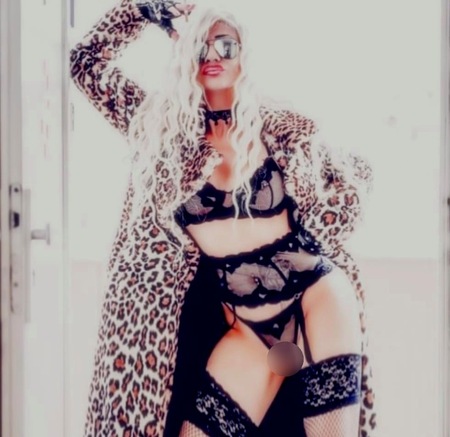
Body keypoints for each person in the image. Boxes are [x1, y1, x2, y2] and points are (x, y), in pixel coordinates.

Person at [69, 0, 377, 435]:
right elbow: (85, 64)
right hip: (246, 328)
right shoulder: (160, 131)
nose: (213, 56)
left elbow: (355, 177)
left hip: (316, 295)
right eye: (201, 46)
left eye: (226, 45)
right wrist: (146, 8)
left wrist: (319, 233)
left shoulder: (278, 129)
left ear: (243, 53)